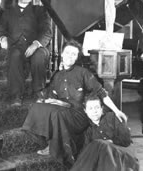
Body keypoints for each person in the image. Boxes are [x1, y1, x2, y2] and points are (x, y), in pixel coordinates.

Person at [21, 40, 127, 168]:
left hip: (79, 115)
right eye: (67, 53)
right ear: (62, 54)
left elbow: (101, 93)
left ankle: (56, 149)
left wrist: (117, 111)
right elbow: (51, 96)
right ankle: (50, 143)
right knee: (37, 107)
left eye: (73, 54)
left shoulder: (83, 73)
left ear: (77, 57)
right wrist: (48, 100)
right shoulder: (57, 75)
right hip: (61, 110)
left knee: (56, 113)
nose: (69, 56)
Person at [0, 0, 52, 106]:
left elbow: (47, 31)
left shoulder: (40, 11)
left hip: (37, 46)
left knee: (38, 57)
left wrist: (36, 44)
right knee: (14, 56)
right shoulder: (8, 12)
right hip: (16, 45)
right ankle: (16, 95)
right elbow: (1, 30)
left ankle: (39, 92)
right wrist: (3, 38)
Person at [70, 95, 140, 171]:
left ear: (102, 109)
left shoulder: (113, 117)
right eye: (90, 108)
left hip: (124, 156)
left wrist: (109, 142)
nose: (94, 111)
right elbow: (87, 153)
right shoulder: (88, 130)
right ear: (85, 111)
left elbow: (126, 140)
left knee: (99, 144)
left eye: (97, 107)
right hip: (107, 163)